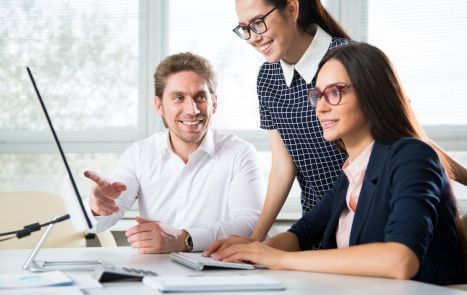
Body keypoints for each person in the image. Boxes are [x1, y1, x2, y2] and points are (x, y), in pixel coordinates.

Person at [205, 0, 467, 254]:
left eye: (259, 22)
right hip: (324, 220)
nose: (253, 36)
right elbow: (283, 165)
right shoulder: (268, 78)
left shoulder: (349, 62)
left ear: (292, 8)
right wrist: (256, 241)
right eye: (245, 28)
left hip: (376, 215)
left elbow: (402, 130)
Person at [84, 52, 265, 254]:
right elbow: (99, 224)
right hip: (155, 274)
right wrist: (98, 207)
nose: (192, 110)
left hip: (220, 271)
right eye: (178, 98)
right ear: (159, 105)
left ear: (214, 103)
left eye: (200, 97)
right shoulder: (139, 155)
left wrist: (185, 239)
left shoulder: (240, 153)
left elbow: (251, 225)